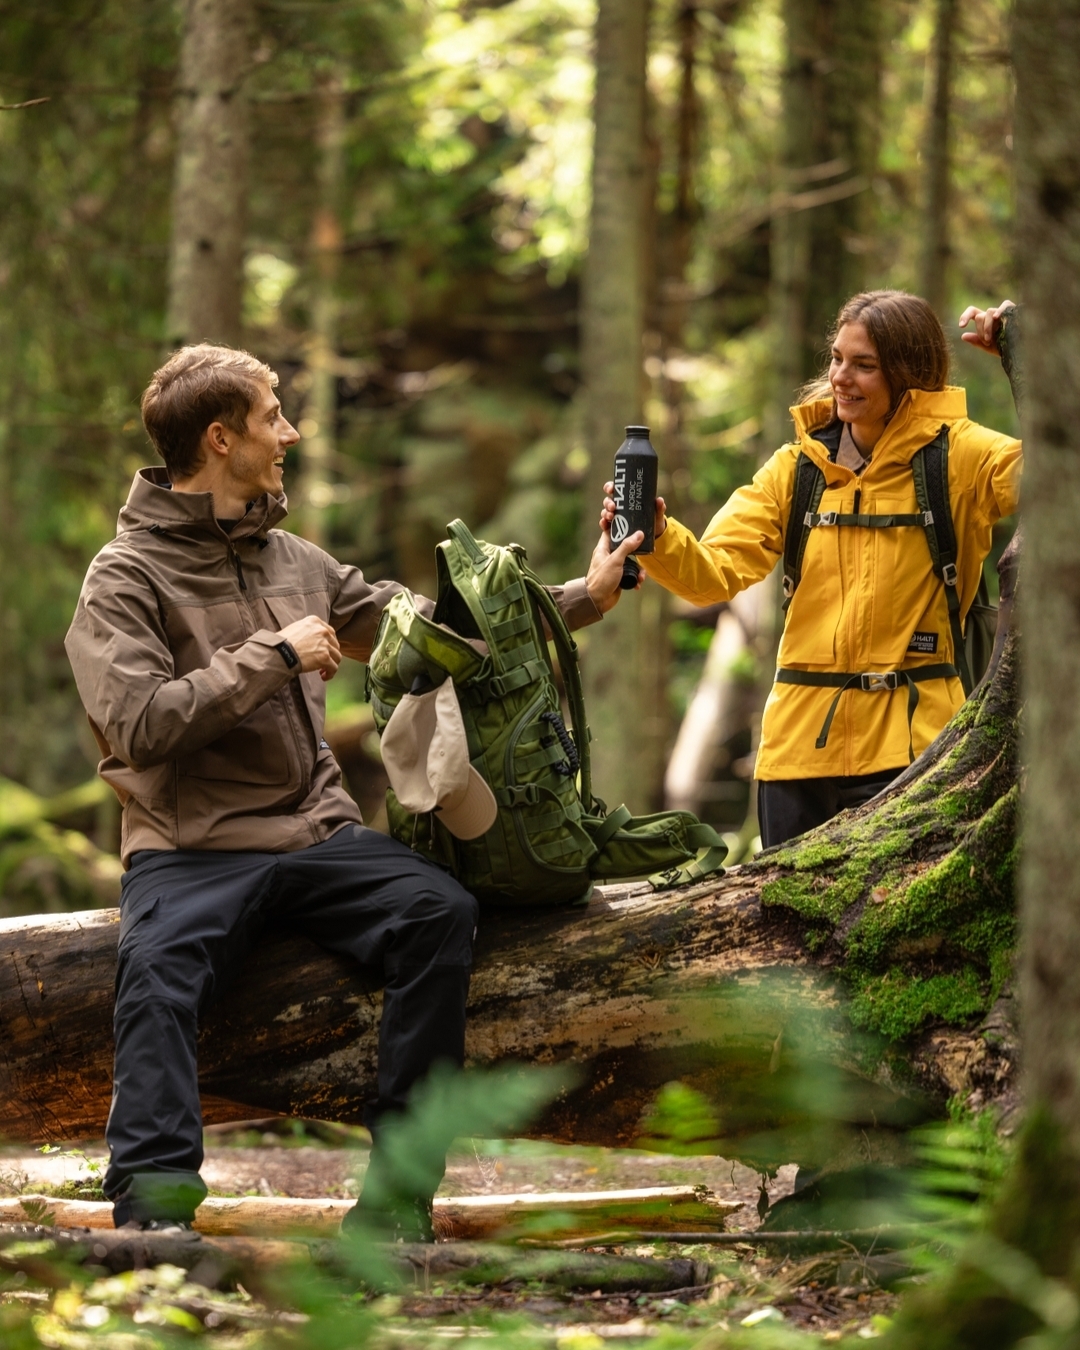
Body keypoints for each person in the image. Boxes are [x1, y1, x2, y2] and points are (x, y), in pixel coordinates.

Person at [65, 343, 643, 1238]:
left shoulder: (295, 558)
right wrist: (274, 654)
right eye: (272, 417)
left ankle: (397, 1206)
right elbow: (139, 723)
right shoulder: (124, 576)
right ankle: (153, 1218)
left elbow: (433, 635)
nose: (290, 433)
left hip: (318, 837)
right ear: (220, 439)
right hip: (192, 851)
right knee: (153, 978)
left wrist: (582, 598)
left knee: (439, 911)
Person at [601, 291, 1021, 849]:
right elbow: (711, 575)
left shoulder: (963, 457)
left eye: (864, 365)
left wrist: (1025, 364)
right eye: (837, 358)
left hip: (917, 751)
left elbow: (1058, 476)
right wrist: (656, 535)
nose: (841, 377)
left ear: (909, 373)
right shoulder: (797, 468)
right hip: (795, 759)